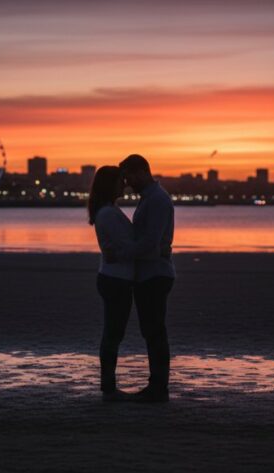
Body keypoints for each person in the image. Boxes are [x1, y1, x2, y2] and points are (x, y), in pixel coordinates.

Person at [106, 154, 175, 403]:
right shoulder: (151, 198)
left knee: (154, 332)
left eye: (129, 177)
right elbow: (151, 242)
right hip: (151, 272)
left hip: (155, 274)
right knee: (152, 331)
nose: (127, 183)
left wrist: (120, 253)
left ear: (142, 172)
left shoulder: (156, 200)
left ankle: (158, 387)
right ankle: (157, 385)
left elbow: (150, 242)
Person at [88, 166, 135, 402]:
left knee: (114, 332)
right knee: (113, 333)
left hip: (114, 277)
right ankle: (108, 386)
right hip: (115, 279)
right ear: (110, 185)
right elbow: (123, 246)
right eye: (120, 181)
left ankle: (108, 384)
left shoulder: (109, 211)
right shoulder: (108, 213)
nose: (124, 185)